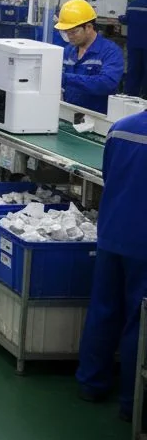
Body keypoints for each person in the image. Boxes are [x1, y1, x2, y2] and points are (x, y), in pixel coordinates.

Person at [76, 108, 147, 420]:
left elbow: (109, 175)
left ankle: (92, 383)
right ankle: (135, 405)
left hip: (111, 234)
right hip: (144, 245)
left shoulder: (119, 129)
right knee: (139, 321)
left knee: (104, 309)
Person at [56, 0, 125, 113]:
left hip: (97, 119)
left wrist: (66, 78)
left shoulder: (110, 52)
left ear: (88, 27)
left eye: (73, 32)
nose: (70, 37)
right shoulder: (69, 51)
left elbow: (106, 84)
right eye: (66, 33)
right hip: (69, 113)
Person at [122, 0, 147, 98]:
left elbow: (125, 20)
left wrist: (120, 17)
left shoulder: (133, 4)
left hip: (134, 44)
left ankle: (130, 96)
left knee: (133, 71)